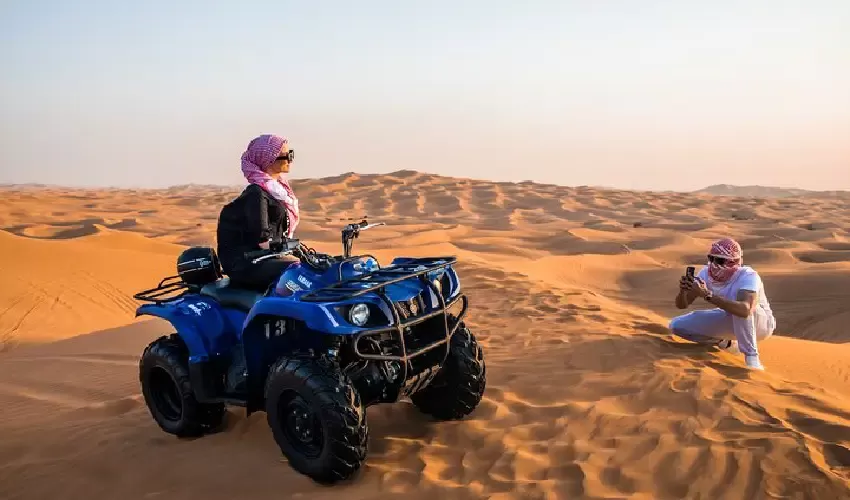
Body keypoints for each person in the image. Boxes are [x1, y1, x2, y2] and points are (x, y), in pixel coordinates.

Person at [668, 237, 776, 370]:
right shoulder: (705, 274)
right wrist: (683, 291)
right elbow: (682, 305)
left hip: (761, 324)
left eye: (719, 260)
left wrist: (707, 295)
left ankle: (752, 358)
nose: (713, 264)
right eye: (711, 258)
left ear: (733, 262)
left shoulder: (748, 276)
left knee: (738, 308)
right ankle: (727, 344)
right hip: (732, 319)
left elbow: (745, 310)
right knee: (677, 325)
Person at [216, 133, 301, 292]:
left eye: (292, 154)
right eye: (287, 155)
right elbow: (263, 240)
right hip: (246, 263)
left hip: (266, 257)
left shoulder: (277, 191)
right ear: (269, 159)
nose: (291, 159)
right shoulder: (256, 193)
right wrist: (289, 246)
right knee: (299, 273)